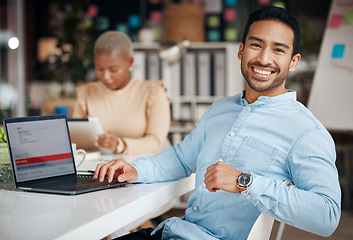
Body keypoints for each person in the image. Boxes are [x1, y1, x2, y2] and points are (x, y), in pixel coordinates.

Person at [94, 6, 341, 240]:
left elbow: (327, 216)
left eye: (278, 50)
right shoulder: (221, 108)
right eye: (256, 45)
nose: (264, 59)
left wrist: (245, 182)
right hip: (174, 230)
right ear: (241, 50)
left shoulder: (306, 131)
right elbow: (181, 158)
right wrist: (136, 170)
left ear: (294, 61)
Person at [73, 31, 171, 155]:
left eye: (113, 69)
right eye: (99, 69)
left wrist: (120, 145)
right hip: (94, 168)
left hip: (138, 167)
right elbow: (75, 140)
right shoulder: (86, 93)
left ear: (130, 63)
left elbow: (155, 142)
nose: (105, 77)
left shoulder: (153, 93)